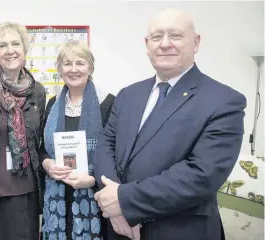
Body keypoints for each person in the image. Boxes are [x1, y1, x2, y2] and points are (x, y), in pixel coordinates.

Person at [93, 8, 246, 240]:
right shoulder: (128, 95)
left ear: (195, 42)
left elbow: (201, 175)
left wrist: (125, 202)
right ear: (147, 44)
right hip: (119, 230)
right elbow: (105, 146)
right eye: (156, 37)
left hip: (180, 230)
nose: (165, 44)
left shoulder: (224, 101)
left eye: (175, 35)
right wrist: (114, 205)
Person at [0, 22, 46, 240]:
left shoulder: (38, 92)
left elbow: (39, 141)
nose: (10, 50)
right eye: (3, 45)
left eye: (15, 43)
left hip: (28, 193)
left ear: (25, 49)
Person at [41, 40, 115, 240]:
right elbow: (42, 149)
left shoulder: (108, 103)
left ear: (90, 67)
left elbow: (115, 155)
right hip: (58, 198)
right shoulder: (52, 104)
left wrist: (92, 180)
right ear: (59, 69)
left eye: (80, 63)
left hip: (96, 198)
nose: (73, 69)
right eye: (67, 63)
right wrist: (47, 164)